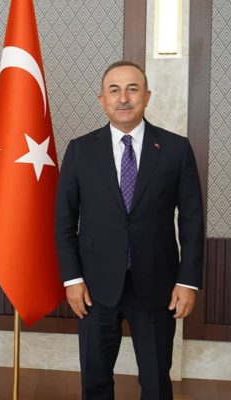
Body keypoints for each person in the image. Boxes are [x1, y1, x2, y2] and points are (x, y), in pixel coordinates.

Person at [55, 61, 204, 400]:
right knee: (95, 383)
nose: (123, 98)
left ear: (147, 96)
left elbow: (192, 220)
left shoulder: (176, 149)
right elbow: (64, 221)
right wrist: (72, 280)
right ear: (102, 100)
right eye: (114, 90)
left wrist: (188, 281)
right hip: (94, 289)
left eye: (132, 89)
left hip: (157, 287)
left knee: (156, 383)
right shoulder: (80, 150)